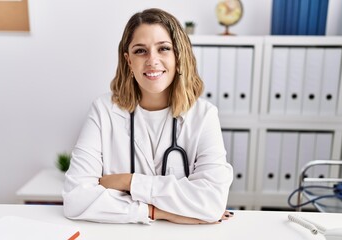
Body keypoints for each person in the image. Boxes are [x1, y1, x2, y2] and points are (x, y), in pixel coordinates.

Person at [63, 8, 233, 224]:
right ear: (128, 60)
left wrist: (128, 182)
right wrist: (157, 212)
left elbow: (211, 202)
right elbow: (76, 199)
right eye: (140, 51)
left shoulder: (204, 115)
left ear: (179, 57)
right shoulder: (103, 110)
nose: (152, 60)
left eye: (163, 49)